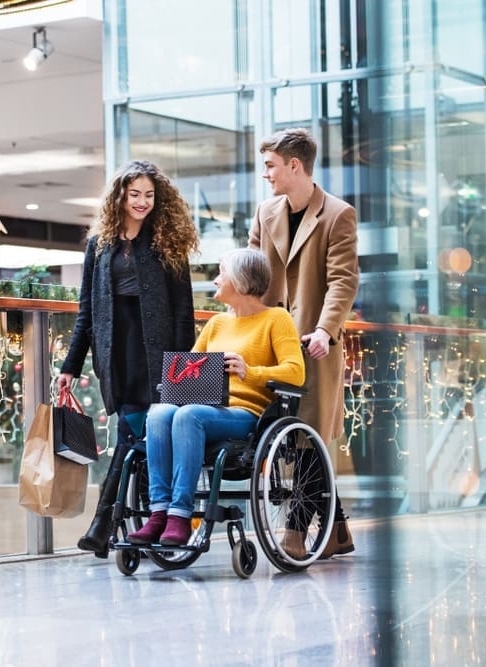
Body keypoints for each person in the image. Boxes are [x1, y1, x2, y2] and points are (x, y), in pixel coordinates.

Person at [57, 159, 200, 558]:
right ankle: (131, 521)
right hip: (117, 354)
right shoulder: (99, 245)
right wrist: (71, 366)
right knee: (134, 436)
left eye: (149, 195)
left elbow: (183, 310)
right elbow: (87, 312)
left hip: (158, 356)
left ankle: (110, 524)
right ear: (119, 195)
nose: (142, 202)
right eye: (134, 194)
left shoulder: (165, 240)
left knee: (136, 437)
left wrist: (180, 365)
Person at [127, 248, 305, 545]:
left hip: (247, 414)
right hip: (206, 408)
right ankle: (159, 513)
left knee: (187, 415)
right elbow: (191, 372)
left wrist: (251, 371)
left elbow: (296, 372)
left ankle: (180, 515)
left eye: (221, 273)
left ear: (240, 280)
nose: (216, 281)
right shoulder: (217, 323)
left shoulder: (276, 318)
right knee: (159, 413)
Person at [248, 127, 360, 559]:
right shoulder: (266, 212)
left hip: (316, 346)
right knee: (287, 437)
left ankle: (295, 533)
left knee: (310, 437)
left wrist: (325, 330)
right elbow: (253, 274)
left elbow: (342, 282)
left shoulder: (337, 214)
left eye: (271, 166)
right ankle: (337, 530)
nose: (266, 174)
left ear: (295, 166)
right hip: (275, 342)